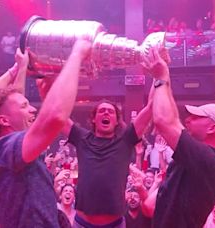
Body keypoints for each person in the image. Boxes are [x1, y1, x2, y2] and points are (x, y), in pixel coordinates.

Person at [0, 40, 92, 227]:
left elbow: (14, 104)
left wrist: (22, 68)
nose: (33, 110)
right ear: (4, 121)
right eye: (24, 106)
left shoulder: (9, 147)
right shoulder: (3, 148)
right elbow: (55, 117)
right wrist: (76, 54)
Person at [61, 52, 160, 226]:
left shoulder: (125, 139)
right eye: (101, 111)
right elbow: (57, 117)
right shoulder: (82, 137)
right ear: (93, 119)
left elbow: (151, 107)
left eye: (110, 111)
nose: (106, 113)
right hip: (82, 224)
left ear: (116, 121)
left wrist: (158, 76)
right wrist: (47, 86)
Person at [147, 46, 215, 227]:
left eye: (196, 117)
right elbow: (172, 118)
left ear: (212, 128)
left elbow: (163, 121)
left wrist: (161, 78)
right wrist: (164, 75)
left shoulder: (211, 161)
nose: (188, 120)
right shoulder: (198, 157)